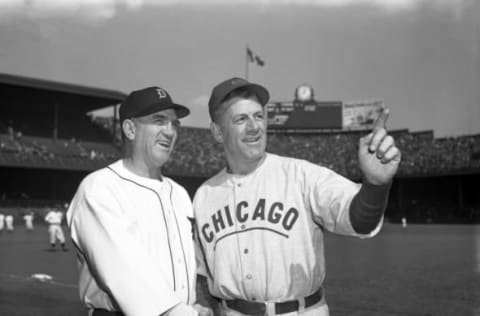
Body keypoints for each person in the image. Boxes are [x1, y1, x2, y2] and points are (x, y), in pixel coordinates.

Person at [193, 77, 402, 316]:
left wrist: (376, 184)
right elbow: (202, 274)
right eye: (241, 119)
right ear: (218, 132)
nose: (254, 127)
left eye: (258, 116)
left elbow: (360, 221)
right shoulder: (204, 197)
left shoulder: (302, 175)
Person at [67, 86, 213, 316]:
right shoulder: (100, 188)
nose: (170, 131)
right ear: (130, 129)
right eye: (159, 120)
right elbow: (126, 272)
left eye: (174, 124)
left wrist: (191, 305)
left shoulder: (180, 194)